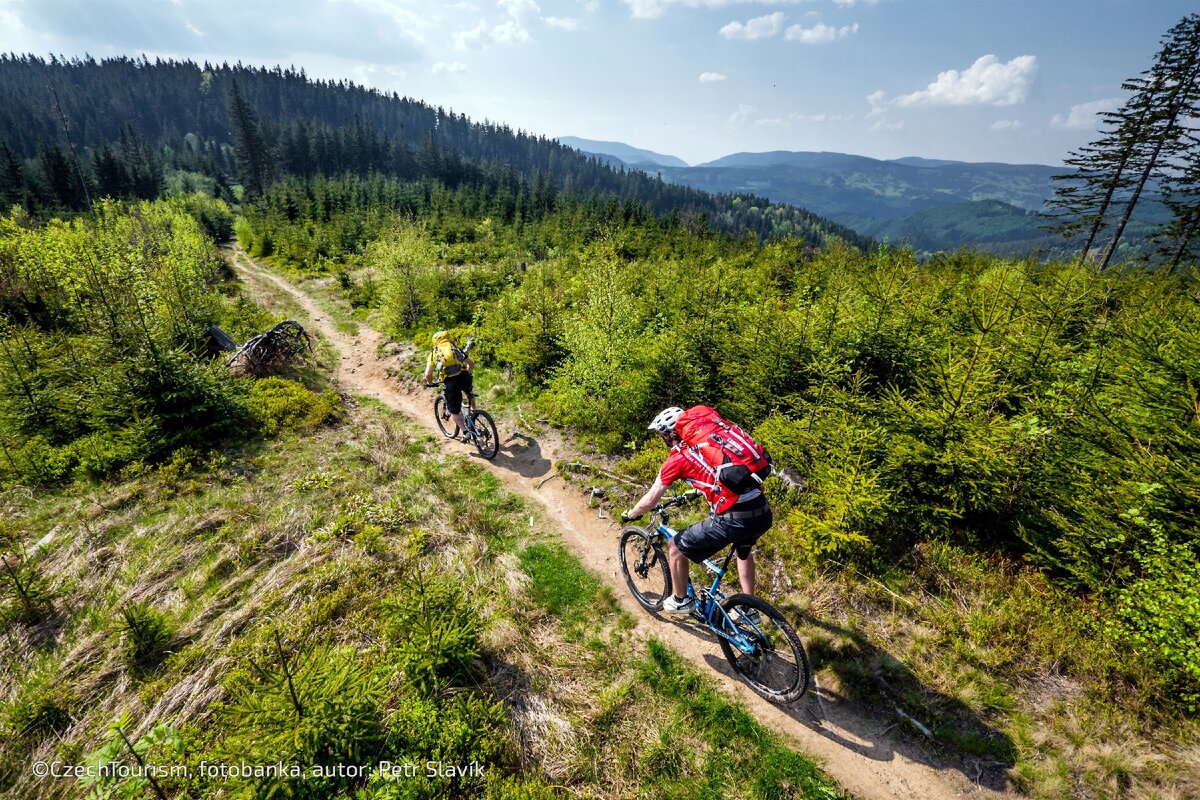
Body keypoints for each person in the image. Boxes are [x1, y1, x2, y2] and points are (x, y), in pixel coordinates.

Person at [621, 406, 772, 615]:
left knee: (675, 546)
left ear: (670, 434)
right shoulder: (711, 444)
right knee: (743, 551)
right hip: (761, 510)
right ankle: (749, 609)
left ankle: (681, 600)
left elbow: (651, 499)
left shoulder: (677, 458)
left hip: (733, 518)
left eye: (663, 435)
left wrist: (631, 514)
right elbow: (714, 475)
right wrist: (696, 491)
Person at [422, 330, 475, 441]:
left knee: (454, 411)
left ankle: (466, 432)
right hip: (464, 377)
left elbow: (428, 374)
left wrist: (430, 383)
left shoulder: (434, 354)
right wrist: (469, 373)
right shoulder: (455, 349)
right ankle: (475, 412)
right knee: (469, 392)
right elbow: (471, 363)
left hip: (451, 383)